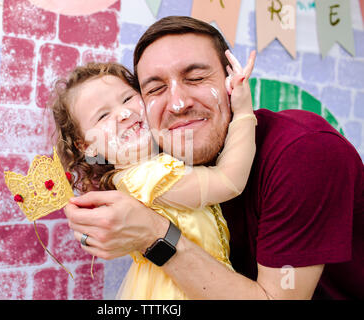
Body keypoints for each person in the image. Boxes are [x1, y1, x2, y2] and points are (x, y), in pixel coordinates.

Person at [65, 16, 364, 299]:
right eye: (155, 89)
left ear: (231, 81)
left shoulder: (303, 151)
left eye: (196, 78)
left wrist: (153, 235)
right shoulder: (158, 159)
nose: (178, 104)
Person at [50, 55, 257, 299]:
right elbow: (229, 182)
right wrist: (243, 111)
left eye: (127, 98)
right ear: (87, 146)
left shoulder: (139, 173)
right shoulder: (149, 178)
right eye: (103, 116)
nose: (124, 113)